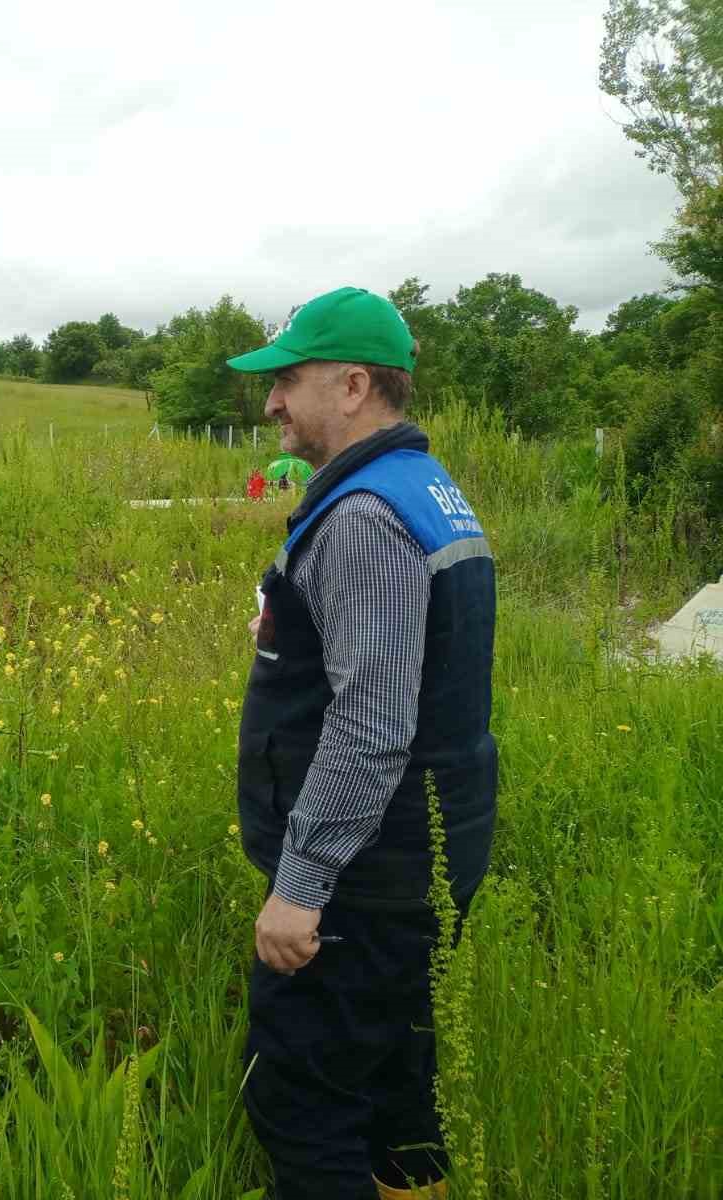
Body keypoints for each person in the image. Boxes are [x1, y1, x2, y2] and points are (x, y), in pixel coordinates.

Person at [227, 288, 497, 1200]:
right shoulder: (428, 490)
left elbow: (372, 727)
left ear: (351, 386)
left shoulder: (362, 516)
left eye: (286, 381)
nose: (271, 403)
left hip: (363, 877)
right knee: (398, 1092)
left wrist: (301, 888)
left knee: (304, 1106)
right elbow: (419, 664)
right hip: (425, 851)